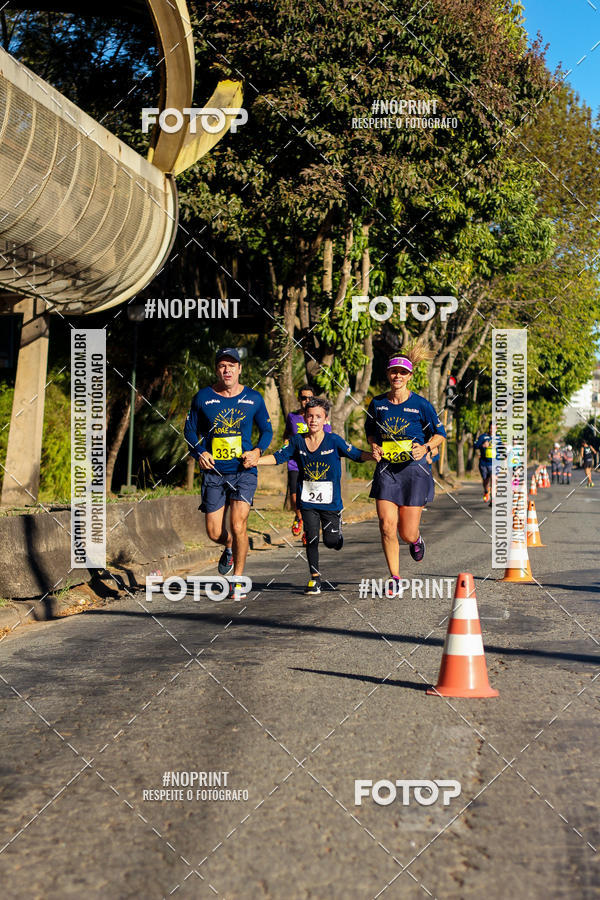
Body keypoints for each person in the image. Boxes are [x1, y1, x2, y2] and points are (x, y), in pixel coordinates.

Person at [246, 397, 375, 594]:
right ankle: (315, 579)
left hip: (331, 502)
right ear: (304, 418)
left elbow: (356, 454)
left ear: (326, 419)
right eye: (310, 416)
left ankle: (336, 535)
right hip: (307, 501)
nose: (313, 420)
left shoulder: (334, 440)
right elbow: (279, 457)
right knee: (311, 537)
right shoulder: (297, 441)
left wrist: (374, 455)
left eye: (318, 416)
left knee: (331, 542)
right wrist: (256, 461)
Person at [184, 348, 273, 598]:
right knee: (214, 532)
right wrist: (200, 451)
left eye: (232, 365)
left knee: (238, 524)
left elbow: (267, 430)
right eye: (223, 365)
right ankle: (231, 546)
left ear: (240, 369)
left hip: (243, 471)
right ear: (217, 370)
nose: (227, 370)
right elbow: (190, 431)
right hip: (214, 473)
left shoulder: (254, 398)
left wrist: (257, 451)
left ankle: (237, 579)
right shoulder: (203, 397)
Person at [365, 348, 446, 598]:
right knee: (386, 525)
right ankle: (395, 577)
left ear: (409, 376)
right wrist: (373, 446)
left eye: (402, 372)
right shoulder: (377, 404)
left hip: (414, 471)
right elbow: (370, 431)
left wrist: (426, 447)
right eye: (393, 372)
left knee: (406, 532)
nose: (397, 376)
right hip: (387, 471)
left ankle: (416, 540)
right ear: (388, 374)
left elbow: (440, 434)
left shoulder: (421, 404)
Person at [283, 385, 332, 539]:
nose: (306, 401)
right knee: (294, 498)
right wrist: (286, 446)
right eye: (303, 398)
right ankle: (300, 517)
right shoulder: (292, 417)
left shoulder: (320, 418)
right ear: (299, 399)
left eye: (310, 398)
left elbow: (328, 437)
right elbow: (287, 435)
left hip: (313, 465)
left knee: (310, 496)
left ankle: (309, 530)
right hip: (295, 463)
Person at [474, 422, 495, 504]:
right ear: (489, 428)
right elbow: (475, 445)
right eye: (491, 428)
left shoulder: (498, 438)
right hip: (483, 463)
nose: (492, 430)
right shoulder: (483, 437)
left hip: (494, 463)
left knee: (493, 479)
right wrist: (482, 445)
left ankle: (493, 498)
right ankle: (486, 491)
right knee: (485, 480)